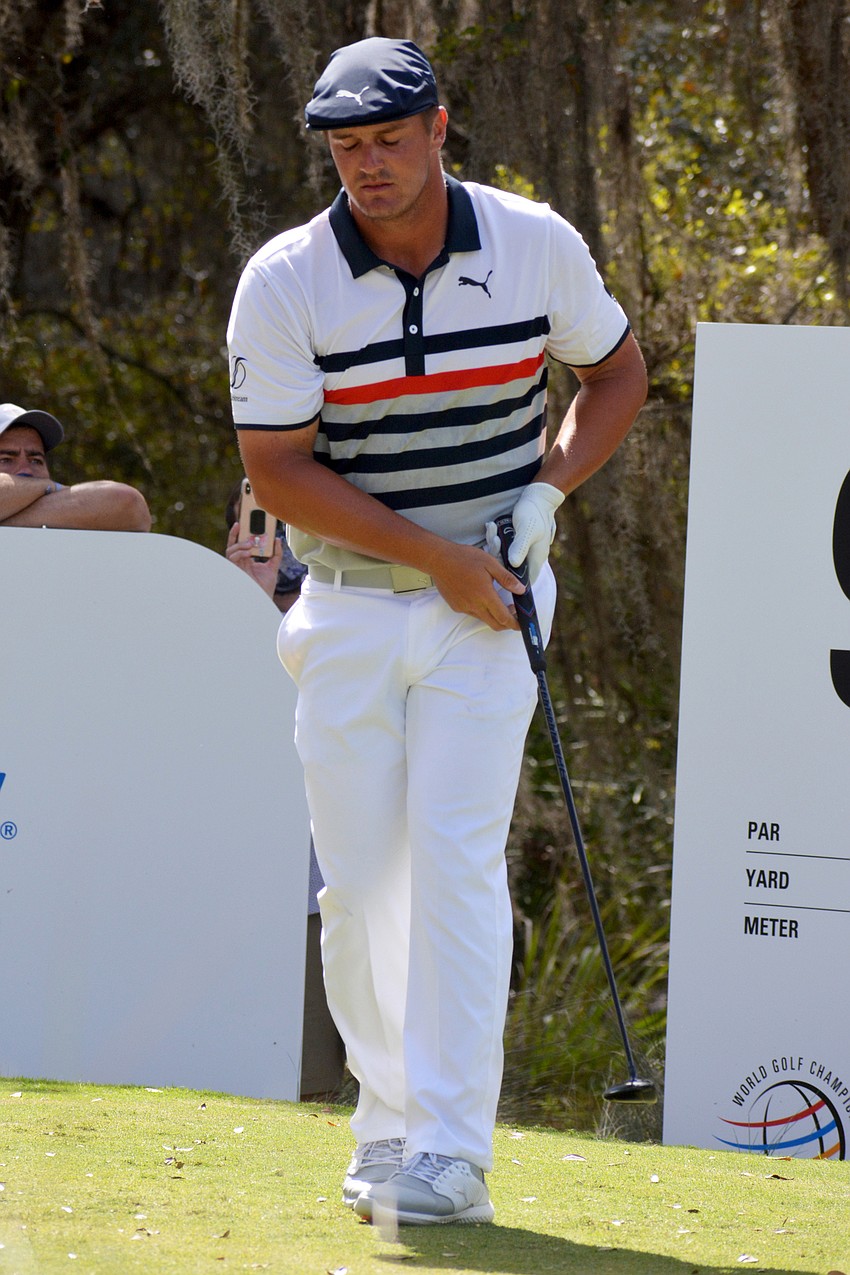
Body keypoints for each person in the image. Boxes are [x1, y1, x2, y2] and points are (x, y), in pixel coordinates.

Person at [227, 36, 647, 1226]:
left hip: (491, 612)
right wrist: (438, 560)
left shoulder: (532, 243)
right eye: (345, 147)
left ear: (440, 128)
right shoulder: (287, 278)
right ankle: (387, 1126)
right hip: (351, 605)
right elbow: (279, 471)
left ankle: (455, 1151)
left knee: (455, 863)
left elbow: (615, 376)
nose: (366, 165)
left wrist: (545, 494)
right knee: (360, 890)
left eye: (387, 141)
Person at [223, 481, 345, 1100]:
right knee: (297, 1084)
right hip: (257, 899)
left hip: (346, 885)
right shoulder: (208, 620)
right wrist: (247, 604)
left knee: (363, 1077)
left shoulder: (357, 613)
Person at [0, 403, 151, 531]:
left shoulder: (51, 490)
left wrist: (50, 487)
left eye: (35, 460)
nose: (26, 470)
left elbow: (129, 503)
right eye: (6, 460)